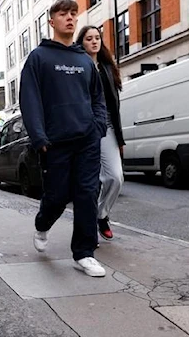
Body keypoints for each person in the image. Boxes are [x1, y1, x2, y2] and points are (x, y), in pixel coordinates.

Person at [19, 0, 107, 277]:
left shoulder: (84, 60)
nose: (69, 18)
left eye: (73, 14)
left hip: (87, 139)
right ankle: (43, 223)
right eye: (63, 14)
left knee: (87, 194)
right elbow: (29, 99)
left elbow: (97, 97)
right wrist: (39, 137)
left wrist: (99, 126)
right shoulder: (39, 58)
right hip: (55, 141)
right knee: (57, 195)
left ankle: (84, 253)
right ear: (51, 21)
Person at [76, 26, 125, 242]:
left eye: (97, 38)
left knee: (116, 177)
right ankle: (86, 234)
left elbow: (115, 106)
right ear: (82, 42)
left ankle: (101, 215)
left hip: (108, 128)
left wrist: (120, 138)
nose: (94, 42)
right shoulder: (77, 66)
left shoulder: (107, 67)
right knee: (88, 183)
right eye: (89, 38)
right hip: (85, 129)